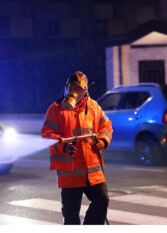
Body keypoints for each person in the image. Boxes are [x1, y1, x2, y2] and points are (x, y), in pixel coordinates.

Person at [41, 71, 113, 225]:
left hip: (92, 171)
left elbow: (106, 125)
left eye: (77, 89)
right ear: (66, 87)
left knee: (102, 201)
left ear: (85, 91)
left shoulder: (93, 106)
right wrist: (64, 145)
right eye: (71, 87)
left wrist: (103, 139)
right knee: (71, 216)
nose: (73, 91)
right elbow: (47, 134)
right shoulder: (56, 109)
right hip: (70, 173)